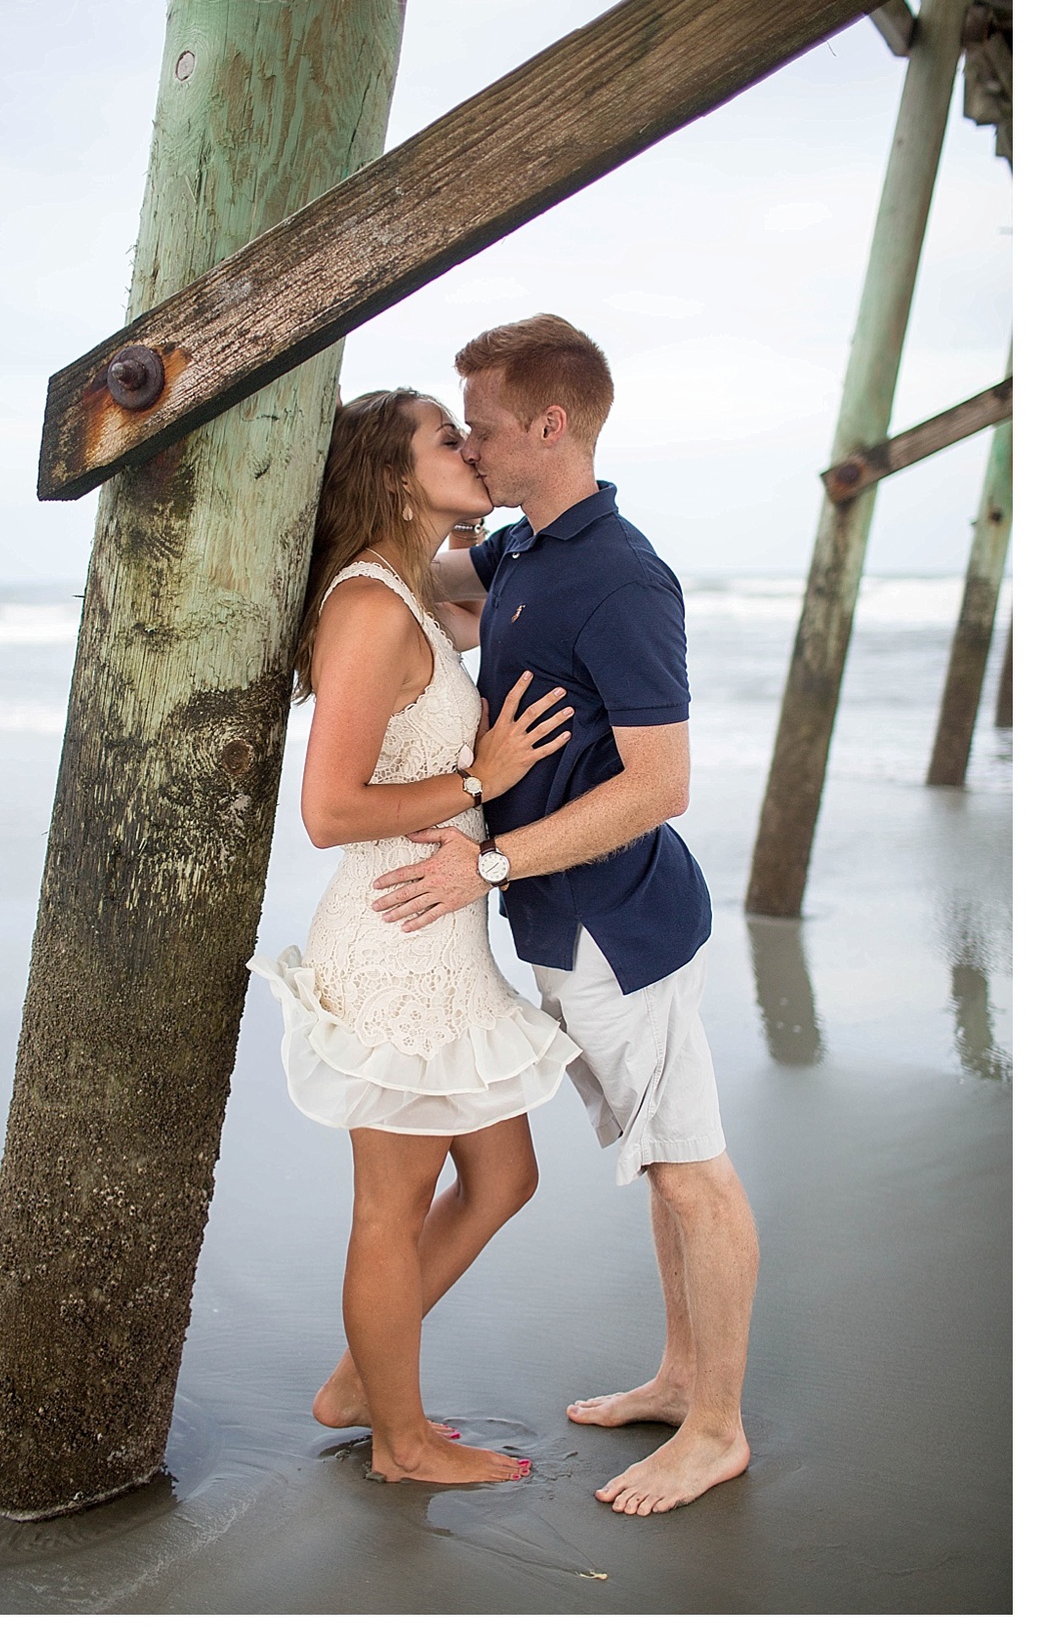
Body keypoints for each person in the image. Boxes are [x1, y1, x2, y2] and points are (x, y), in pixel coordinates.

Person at [377, 314, 759, 1517]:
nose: (473, 446)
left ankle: (716, 1428)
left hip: (618, 926)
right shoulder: (524, 553)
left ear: (551, 426)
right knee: (658, 1162)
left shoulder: (623, 576)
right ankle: (679, 1373)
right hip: (558, 923)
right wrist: (393, 496)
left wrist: (487, 868)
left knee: (692, 1173)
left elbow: (660, 786)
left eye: (480, 428)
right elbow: (422, 587)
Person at [249, 388, 579, 1486]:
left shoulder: (416, 592)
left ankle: (360, 1379)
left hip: (441, 932)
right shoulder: (372, 610)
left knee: (502, 1177)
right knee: (389, 1208)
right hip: (392, 934)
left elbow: (530, 570)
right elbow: (328, 810)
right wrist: (483, 774)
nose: (472, 449)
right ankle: (398, 1440)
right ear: (395, 475)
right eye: (450, 438)